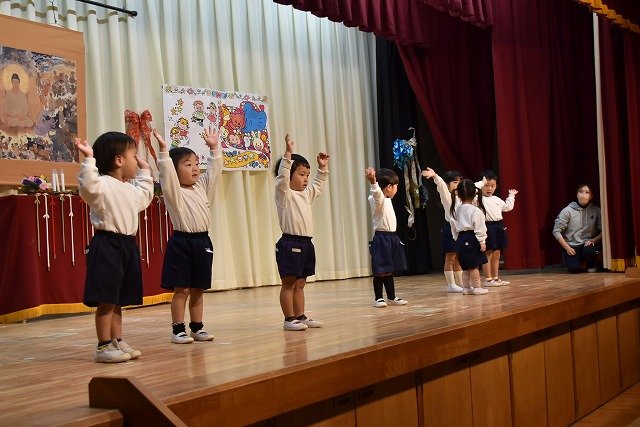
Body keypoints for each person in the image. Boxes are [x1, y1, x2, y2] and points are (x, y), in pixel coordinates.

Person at [75, 132, 154, 363]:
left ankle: (116, 340)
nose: (136, 160)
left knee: (118, 298)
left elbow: (145, 196)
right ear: (119, 160)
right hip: (107, 244)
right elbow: (87, 187)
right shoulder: (102, 185)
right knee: (106, 298)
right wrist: (89, 159)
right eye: (133, 156)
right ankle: (103, 346)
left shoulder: (130, 189)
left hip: (127, 245)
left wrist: (145, 171)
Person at [153, 127, 222, 344]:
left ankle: (197, 327)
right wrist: (163, 152)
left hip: (203, 242)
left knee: (198, 288)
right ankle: (178, 329)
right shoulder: (174, 191)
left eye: (196, 163)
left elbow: (214, 172)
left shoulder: (201, 187)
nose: (195, 168)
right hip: (182, 242)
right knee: (182, 289)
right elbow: (166, 175)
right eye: (188, 164)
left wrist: (214, 149)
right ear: (175, 171)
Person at [274, 134, 329, 331]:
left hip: (306, 243)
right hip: (290, 243)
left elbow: (318, 185)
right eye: (301, 174)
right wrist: (288, 155)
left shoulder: (306, 194)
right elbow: (282, 178)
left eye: (307, 174)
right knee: (289, 284)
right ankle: (289, 319)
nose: (306, 179)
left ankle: (300, 316)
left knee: (300, 284)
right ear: (290, 175)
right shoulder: (284, 194)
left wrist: (322, 168)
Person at [365, 167, 408, 308]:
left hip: (392, 237)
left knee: (389, 269)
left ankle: (391, 296)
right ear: (389, 187)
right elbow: (377, 195)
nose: (397, 189)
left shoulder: (388, 200)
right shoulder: (378, 199)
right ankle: (378, 298)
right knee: (380, 270)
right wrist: (373, 182)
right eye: (396, 186)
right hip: (382, 238)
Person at [421, 168, 465, 292]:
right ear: (447, 184)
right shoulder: (447, 197)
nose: (458, 185)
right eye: (455, 182)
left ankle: (461, 283)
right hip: (450, 229)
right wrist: (435, 176)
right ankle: (451, 285)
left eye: (460, 182)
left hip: (460, 230)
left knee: (458, 257)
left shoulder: (461, 198)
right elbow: (441, 186)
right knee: (450, 257)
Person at [478, 170, 517, 286]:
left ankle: (495, 278)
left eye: (492, 186)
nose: (489, 188)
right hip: (486, 226)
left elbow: (507, 207)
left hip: (498, 226)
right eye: (486, 185)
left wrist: (511, 196)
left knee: (497, 253)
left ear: (496, 186)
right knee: (488, 253)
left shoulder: (496, 199)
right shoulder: (477, 199)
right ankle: (488, 279)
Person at [450, 179, 489, 295]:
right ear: (474, 194)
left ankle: (466, 288)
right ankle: (477, 287)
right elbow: (480, 227)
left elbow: (453, 226)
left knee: (466, 267)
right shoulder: (475, 210)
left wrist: (457, 239)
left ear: (459, 194)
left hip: (460, 239)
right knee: (474, 266)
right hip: (472, 238)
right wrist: (482, 241)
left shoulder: (456, 210)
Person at [552, 183, 602, 273]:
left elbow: (604, 231)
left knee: (590, 252)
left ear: (591, 196)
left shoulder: (596, 210)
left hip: (587, 244)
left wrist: (594, 240)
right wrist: (567, 248)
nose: (583, 194)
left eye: (587, 192)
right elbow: (556, 231)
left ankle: (591, 264)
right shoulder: (567, 211)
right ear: (577, 195)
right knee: (574, 268)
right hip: (572, 246)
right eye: (581, 191)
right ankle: (576, 263)